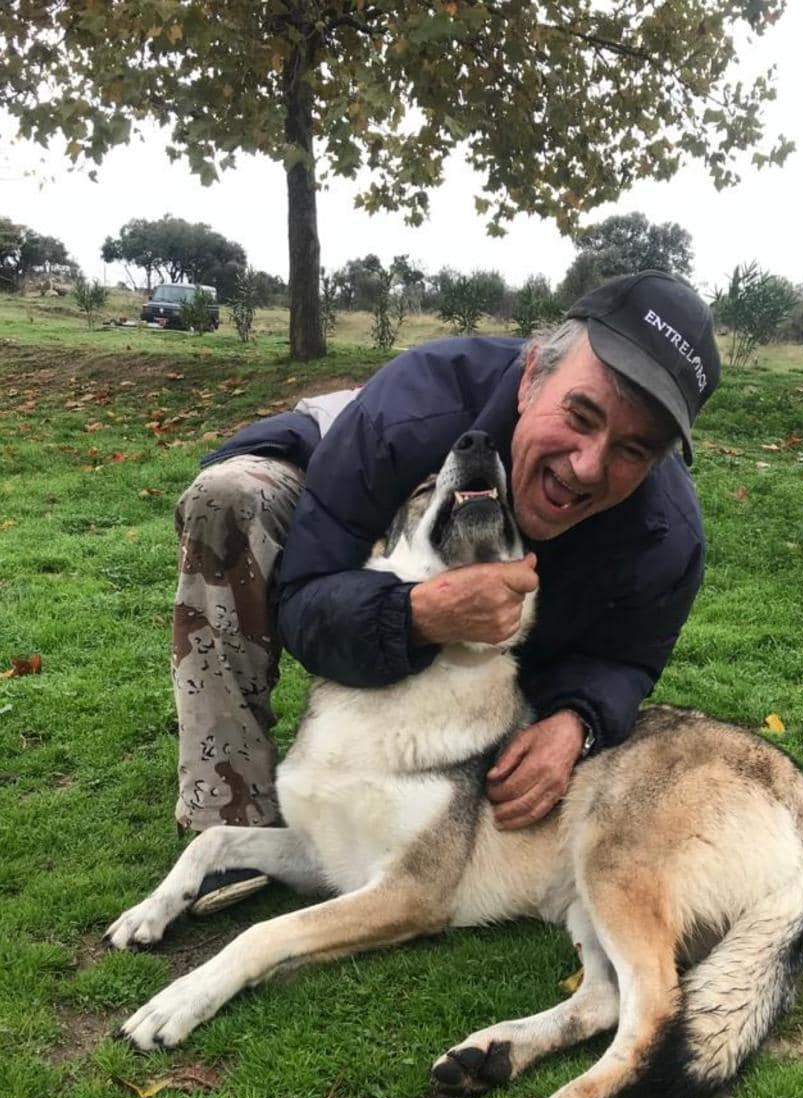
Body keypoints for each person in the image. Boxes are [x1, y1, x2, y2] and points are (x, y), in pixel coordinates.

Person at [171, 270, 721, 913]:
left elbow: (628, 660)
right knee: (229, 500)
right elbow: (303, 603)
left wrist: (579, 721)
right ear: (533, 373)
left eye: (633, 449)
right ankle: (230, 805)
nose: (588, 465)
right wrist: (415, 616)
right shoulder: (412, 403)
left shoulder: (667, 537)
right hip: (346, 461)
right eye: (580, 414)